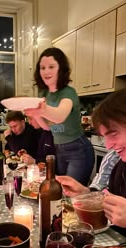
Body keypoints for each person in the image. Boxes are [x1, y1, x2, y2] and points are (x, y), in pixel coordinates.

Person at [57, 88, 126, 232]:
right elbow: (109, 202)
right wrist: (85, 194)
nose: (108, 145)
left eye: (113, 134)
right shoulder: (120, 166)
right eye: (104, 137)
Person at [24, 47, 94, 186]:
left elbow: (60, 116)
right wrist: (35, 114)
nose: (46, 71)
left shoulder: (68, 92)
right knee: (60, 192)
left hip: (78, 150)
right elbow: (46, 127)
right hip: (59, 150)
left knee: (72, 194)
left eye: (51, 67)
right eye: (42, 68)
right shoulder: (45, 94)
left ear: (60, 69)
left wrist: (41, 110)